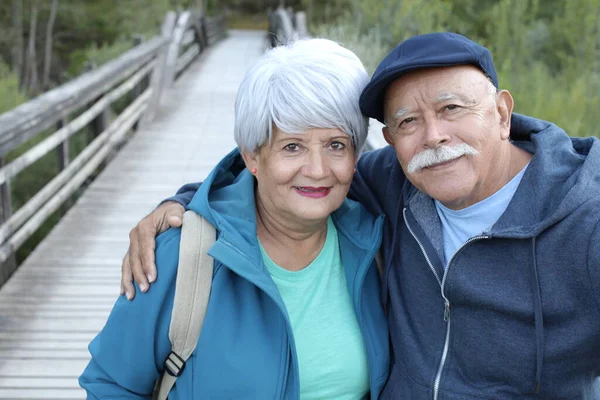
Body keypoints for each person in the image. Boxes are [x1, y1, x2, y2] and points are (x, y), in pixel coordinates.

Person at [123, 32, 600, 399]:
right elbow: (285, 172)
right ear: (389, 141)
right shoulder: (392, 181)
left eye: (452, 108)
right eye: (408, 121)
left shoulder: (586, 222)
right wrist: (185, 203)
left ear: (501, 112)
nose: (433, 136)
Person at [79, 38, 390, 399]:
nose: (318, 170)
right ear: (252, 157)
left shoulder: (374, 242)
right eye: (292, 146)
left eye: (336, 144)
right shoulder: (183, 254)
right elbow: (110, 385)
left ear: (356, 155)